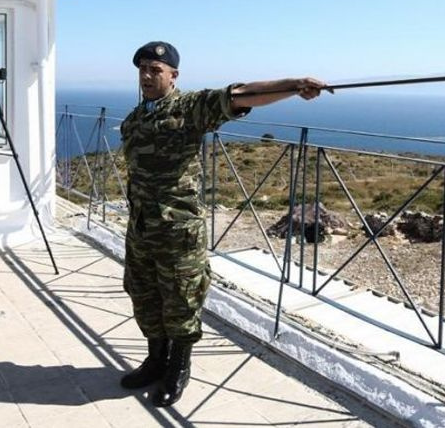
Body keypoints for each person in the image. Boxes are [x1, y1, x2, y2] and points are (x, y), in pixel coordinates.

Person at [119, 41, 329, 406]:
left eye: (155, 70)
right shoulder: (136, 118)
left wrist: (294, 85)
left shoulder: (190, 108)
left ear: (173, 75)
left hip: (178, 230)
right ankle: (155, 360)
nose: (147, 76)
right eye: (143, 70)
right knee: (144, 296)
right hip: (141, 228)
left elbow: (240, 94)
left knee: (181, 301)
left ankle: (177, 369)